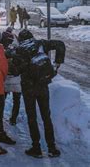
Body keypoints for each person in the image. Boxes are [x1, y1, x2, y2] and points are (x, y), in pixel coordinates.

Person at [13, 29, 64, 158]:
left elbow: (16, 71)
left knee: (32, 117)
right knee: (46, 116)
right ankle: (52, 147)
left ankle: (36, 148)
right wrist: (57, 63)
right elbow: (60, 44)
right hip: (42, 86)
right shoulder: (41, 44)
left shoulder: (20, 50)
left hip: (29, 88)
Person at [1, 30, 21, 127]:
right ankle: (13, 119)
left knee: (1, 99)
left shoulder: (0, 50)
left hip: (5, 79)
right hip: (16, 79)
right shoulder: (17, 48)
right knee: (16, 100)